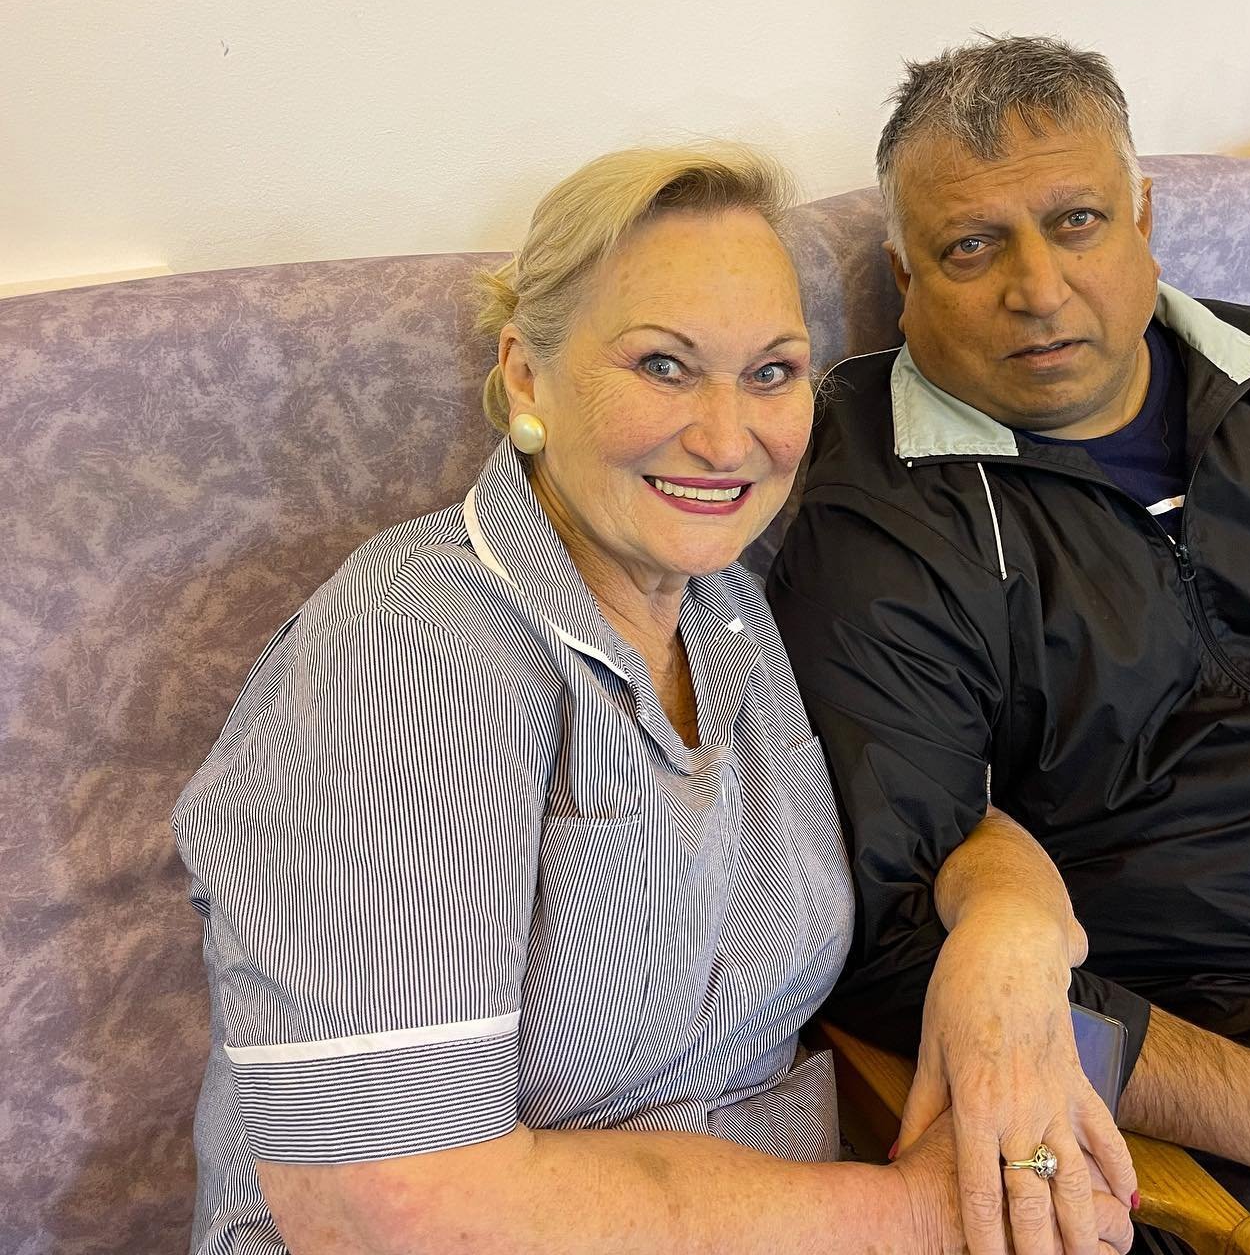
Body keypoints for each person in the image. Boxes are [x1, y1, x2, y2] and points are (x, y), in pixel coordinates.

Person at [173, 143, 1138, 1254]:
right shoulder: (415, 653)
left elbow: (934, 806)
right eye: (664, 366)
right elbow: (385, 1204)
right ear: (527, 376)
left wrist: (1013, 927)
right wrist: (915, 1216)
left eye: (771, 372)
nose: (728, 439)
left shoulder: (730, 603)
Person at [768, 36, 1250, 1252]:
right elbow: (893, 948)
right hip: (1228, 1090)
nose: (1038, 289)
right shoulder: (879, 519)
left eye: (1075, 222)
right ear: (904, 276)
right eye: (972, 248)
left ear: (1142, 219)